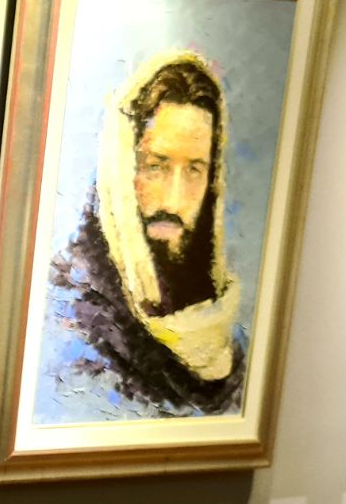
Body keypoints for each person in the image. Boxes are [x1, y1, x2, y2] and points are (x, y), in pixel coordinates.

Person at [45, 51, 245, 416]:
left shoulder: (223, 335)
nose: (174, 200)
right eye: (155, 166)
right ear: (121, 169)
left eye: (195, 170)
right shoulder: (68, 322)